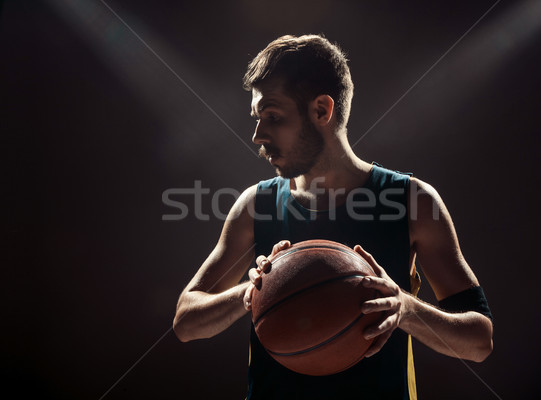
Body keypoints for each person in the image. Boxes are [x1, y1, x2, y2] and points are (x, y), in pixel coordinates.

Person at [173, 34, 493, 399]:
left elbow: (479, 340)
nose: (258, 135)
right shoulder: (255, 205)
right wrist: (252, 294)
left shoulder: (412, 201)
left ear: (322, 110)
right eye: (257, 119)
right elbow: (185, 320)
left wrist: (405, 309)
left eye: (273, 117)